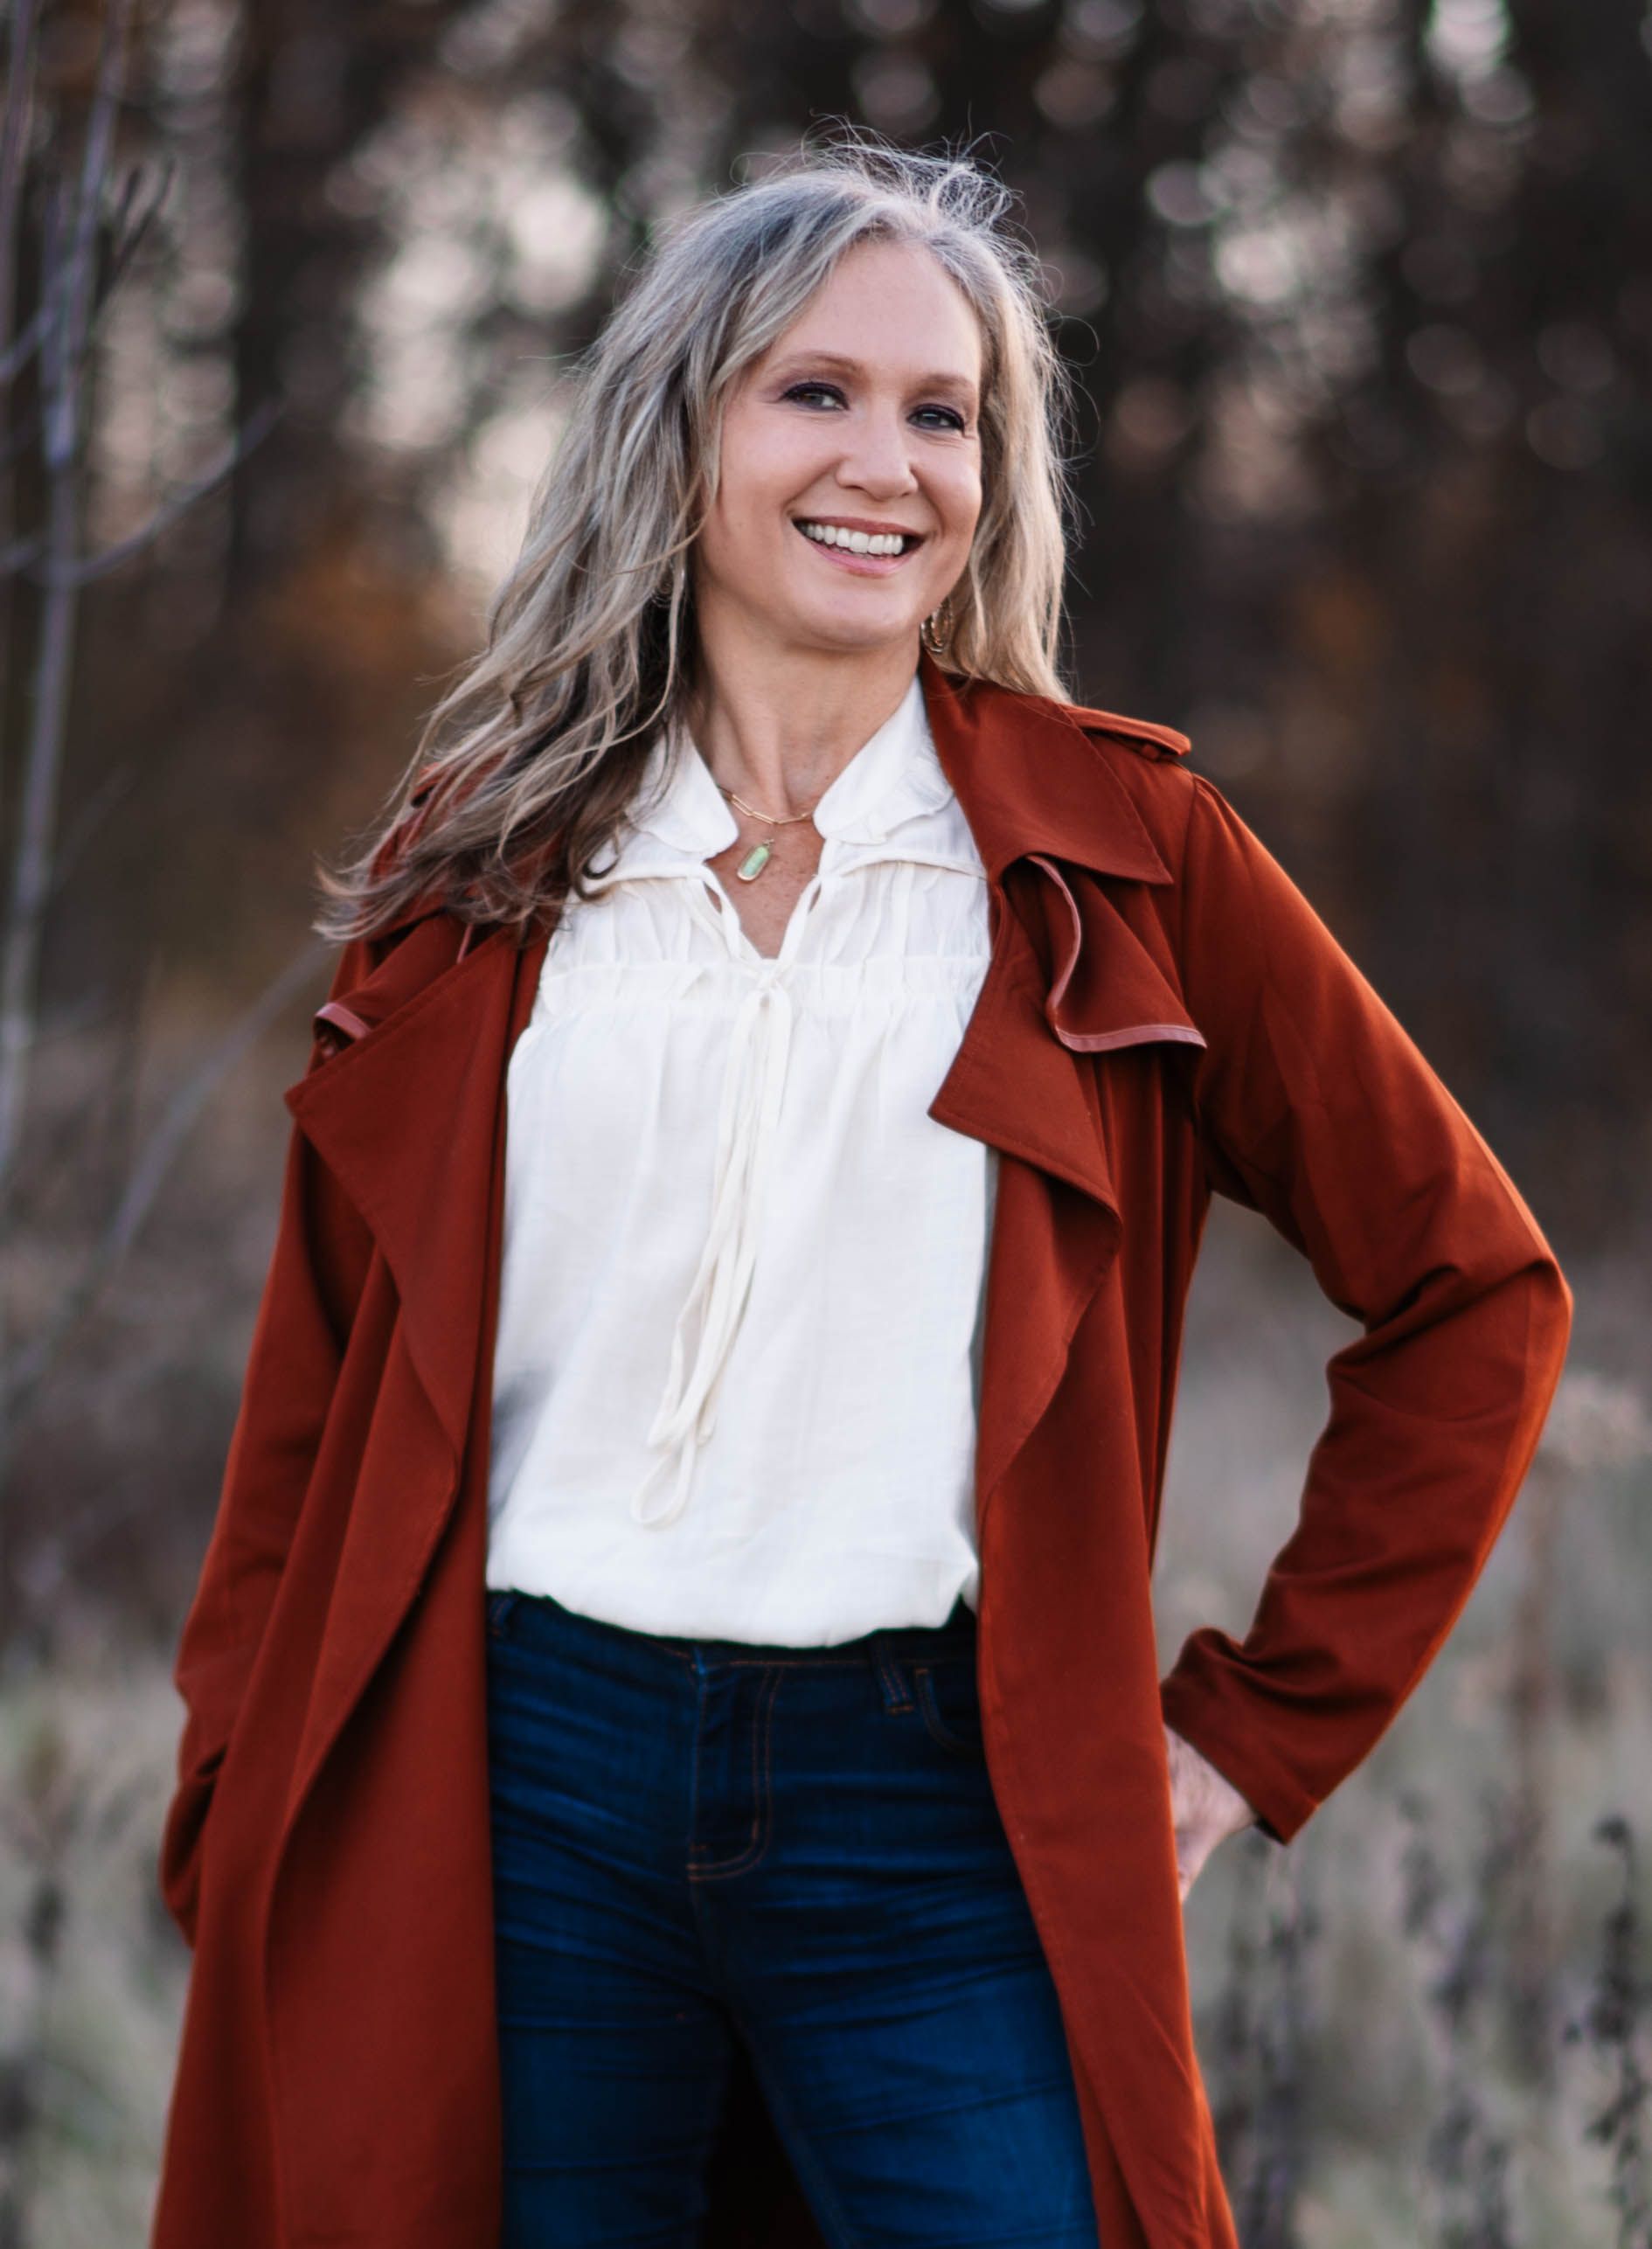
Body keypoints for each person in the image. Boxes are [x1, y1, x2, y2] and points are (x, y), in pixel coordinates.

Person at [151, 136, 1572, 2249]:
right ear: (684, 429)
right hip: (518, 1777)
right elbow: (319, 1386)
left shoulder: (1131, 854)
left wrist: (1249, 1738)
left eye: (945, 411)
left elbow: (1475, 1291)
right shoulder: (486, 862)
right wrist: (233, 1779)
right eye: (815, 391)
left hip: (942, 1802)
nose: (885, 461)